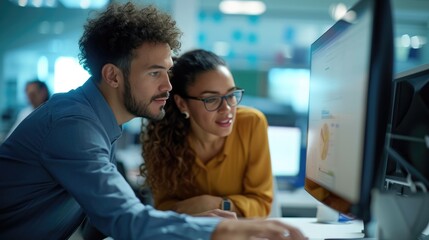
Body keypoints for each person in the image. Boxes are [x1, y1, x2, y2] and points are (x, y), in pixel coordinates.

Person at [0, 3, 307, 240]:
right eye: (154, 73)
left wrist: (184, 222)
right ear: (112, 76)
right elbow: (123, 220)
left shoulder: (98, 121)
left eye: (167, 72)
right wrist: (221, 230)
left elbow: (103, 220)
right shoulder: (74, 125)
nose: (168, 86)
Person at [140, 49, 273, 218]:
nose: (227, 109)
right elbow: (164, 208)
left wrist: (213, 204)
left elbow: (261, 204)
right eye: (211, 99)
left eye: (231, 95)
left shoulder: (252, 123)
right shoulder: (163, 139)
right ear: (182, 104)